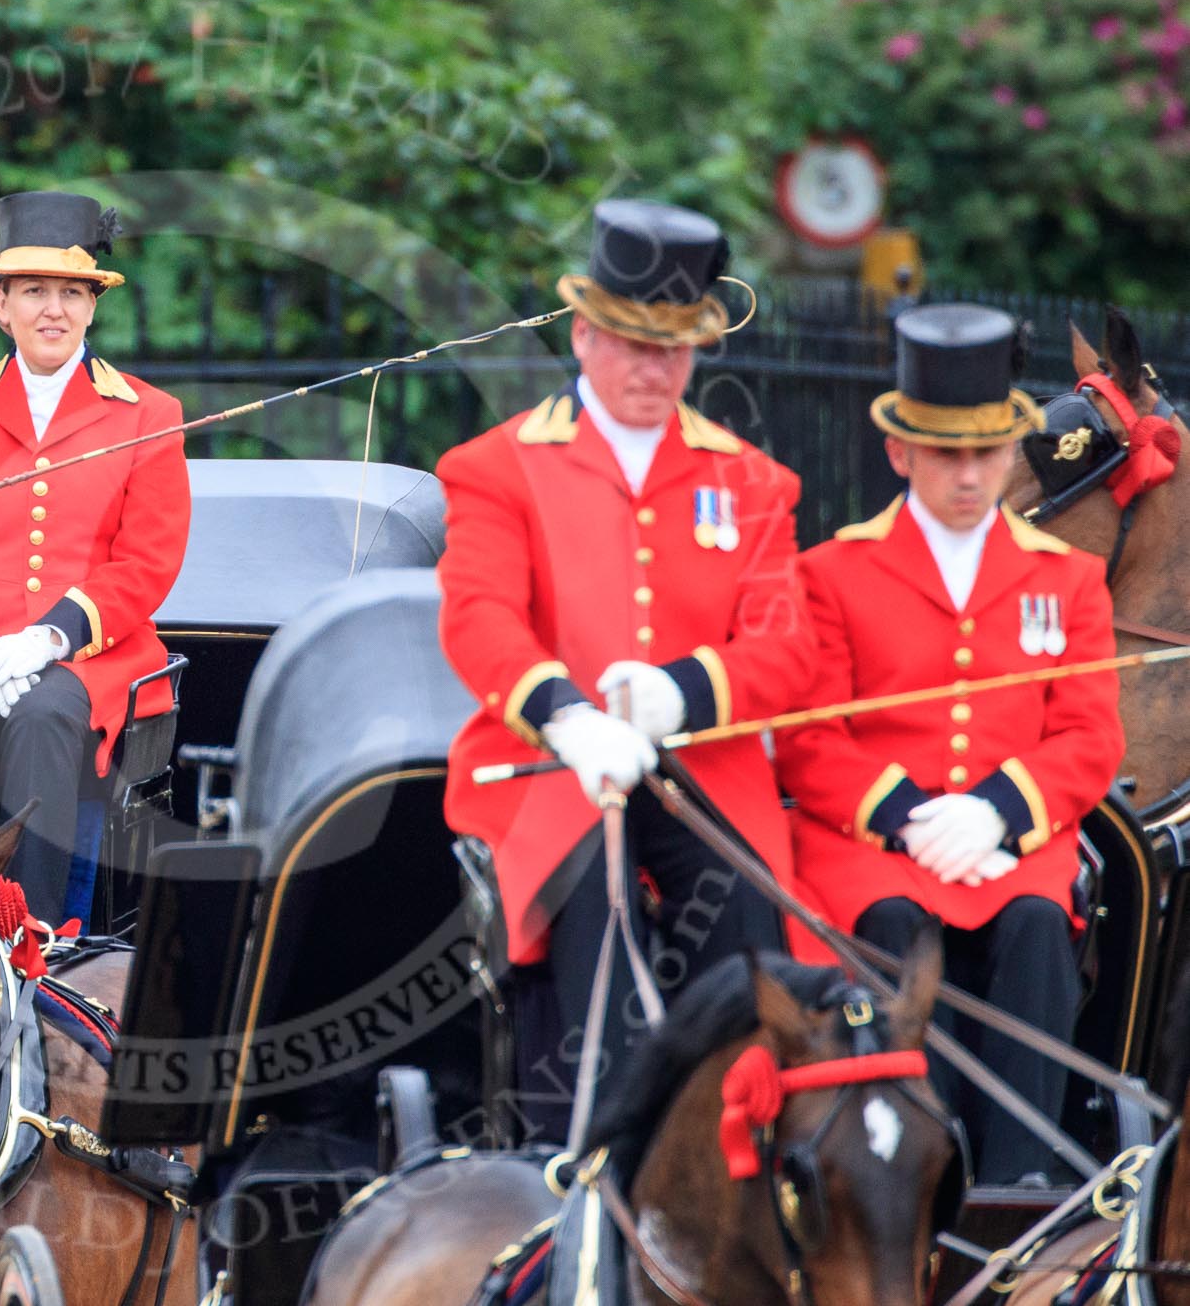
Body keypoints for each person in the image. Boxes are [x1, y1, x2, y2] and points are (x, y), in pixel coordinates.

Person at [438, 199, 815, 1114]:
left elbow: (786, 647)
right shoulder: (497, 465)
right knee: (592, 928)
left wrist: (678, 695)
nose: (656, 368)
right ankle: (585, 1147)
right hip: (550, 769)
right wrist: (569, 716)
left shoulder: (751, 481)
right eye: (634, 343)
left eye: (675, 346)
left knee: (742, 940)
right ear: (583, 336)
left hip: (706, 772)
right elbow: (479, 618)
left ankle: (739, 1147)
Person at [777, 303, 1122, 1184]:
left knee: (1042, 928)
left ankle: (1015, 1192)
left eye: (985, 452)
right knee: (891, 924)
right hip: (875, 849)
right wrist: (910, 817)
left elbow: (1089, 735)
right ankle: (899, 1182)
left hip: (1012, 847)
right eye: (946, 453)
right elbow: (810, 739)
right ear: (902, 453)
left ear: (1012, 453)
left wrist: (996, 814)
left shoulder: (1069, 581)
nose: (969, 474)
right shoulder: (833, 571)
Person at [0, 191, 189, 923]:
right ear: (1, 307)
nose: (52, 310)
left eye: (70, 292)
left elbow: (148, 559)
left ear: (93, 307)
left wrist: (47, 637)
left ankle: (35, 937)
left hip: (90, 654)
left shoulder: (148, 414)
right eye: (32, 292)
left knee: (46, 713)